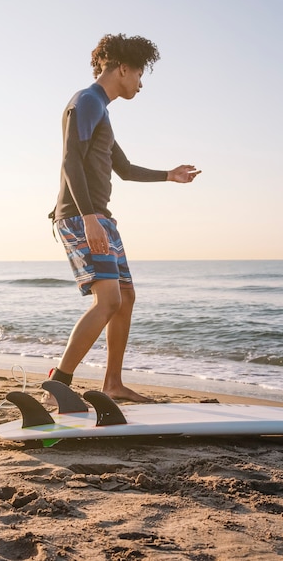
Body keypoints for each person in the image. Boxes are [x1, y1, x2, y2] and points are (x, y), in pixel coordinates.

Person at [45, 33, 201, 404]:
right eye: (140, 74)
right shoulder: (85, 101)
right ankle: (59, 385)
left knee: (126, 297)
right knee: (108, 301)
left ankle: (112, 383)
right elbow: (70, 160)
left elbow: (125, 169)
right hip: (81, 216)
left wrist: (168, 174)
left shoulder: (101, 110)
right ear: (123, 68)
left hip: (101, 217)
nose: (141, 84)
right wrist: (88, 218)